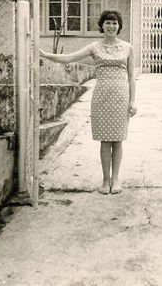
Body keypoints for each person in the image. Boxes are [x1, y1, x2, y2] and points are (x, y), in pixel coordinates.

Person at [40, 10, 137, 194]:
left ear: (119, 26)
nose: (111, 26)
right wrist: (46, 55)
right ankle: (105, 180)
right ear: (102, 25)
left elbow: (131, 76)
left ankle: (115, 179)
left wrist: (133, 101)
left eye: (115, 23)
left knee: (118, 140)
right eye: (108, 23)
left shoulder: (128, 48)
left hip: (121, 96)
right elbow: (69, 57)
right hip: (101, 96)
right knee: (105, 140)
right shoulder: (94, 47)